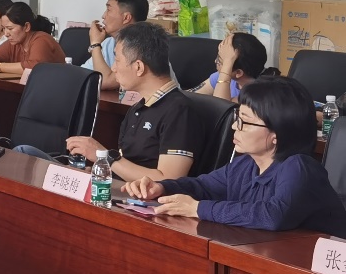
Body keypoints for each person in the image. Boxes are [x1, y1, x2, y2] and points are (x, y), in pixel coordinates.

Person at [125, 78, 346, 235]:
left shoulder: (299, 168)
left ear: (276, 134)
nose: (234, 126)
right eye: (237, 118)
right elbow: (203, 186)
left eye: (244, 122)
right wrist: (162, 188)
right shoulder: (246, 165)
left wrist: (198, 209)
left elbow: (273, 215)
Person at [59, 22, 203, 183]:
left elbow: (168, 180)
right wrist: (96, 172)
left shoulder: (179, 111)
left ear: (139, 67)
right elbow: (127, 167)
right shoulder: (138, 108)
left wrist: (104, 156)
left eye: (117, 60)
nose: (113, 68)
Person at [83, 0, 149, 90]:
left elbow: (104, 81)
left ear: (126, 18)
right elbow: (84, 75)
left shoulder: (143, 46)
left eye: (109, 10)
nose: (103, 16)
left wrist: (95, 44)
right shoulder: (109, 43)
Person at [0, 1, 65, 75]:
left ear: (26, 27)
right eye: (4, 28)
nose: (6, 34)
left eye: (10, 28)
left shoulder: (41, 39)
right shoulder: (14, 43)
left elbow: (34, 67)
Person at [194, 31, 274, 102]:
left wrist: (227, 63)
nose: (215, 61)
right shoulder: (222, 76)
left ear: (238, 73)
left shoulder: (256, 95)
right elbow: (191, 96)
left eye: (220, 61)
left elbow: (221, 107)